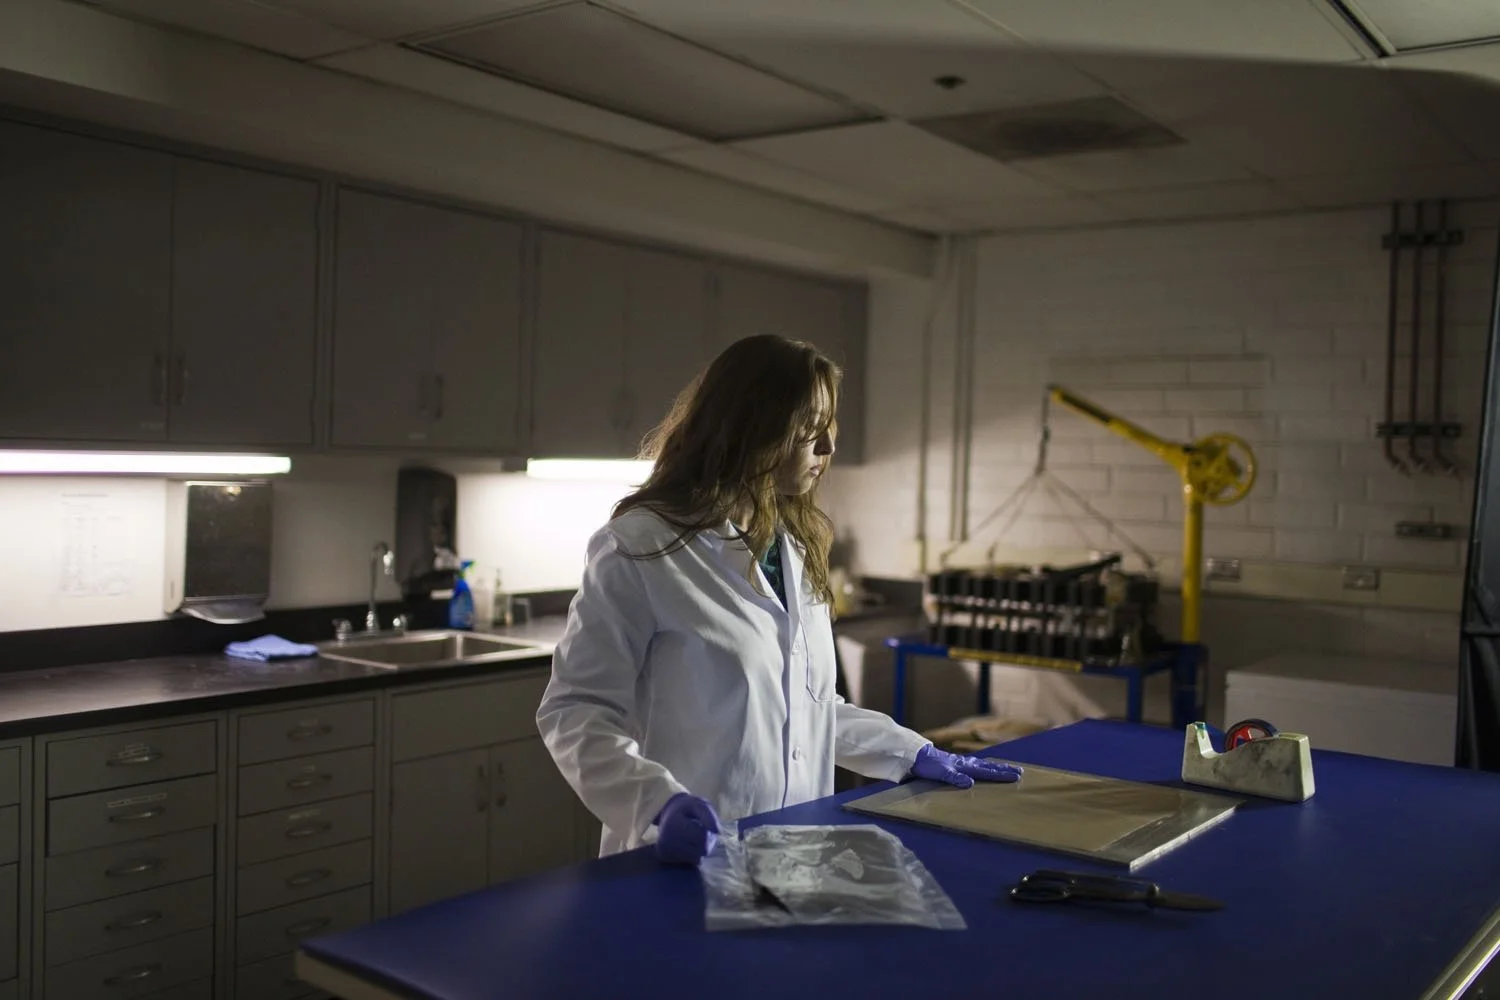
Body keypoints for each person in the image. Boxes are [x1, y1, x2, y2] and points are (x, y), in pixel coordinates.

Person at [536, 334, 1022, 864]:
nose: (829, 449)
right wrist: (656, 803)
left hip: (795, 857)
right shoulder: (638, 548)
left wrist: (910, 751)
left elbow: (809, 709)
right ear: (752, 429)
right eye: (811, 431)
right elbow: (576, 710)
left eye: (828, 429)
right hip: (681, 856)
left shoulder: (791, 546)